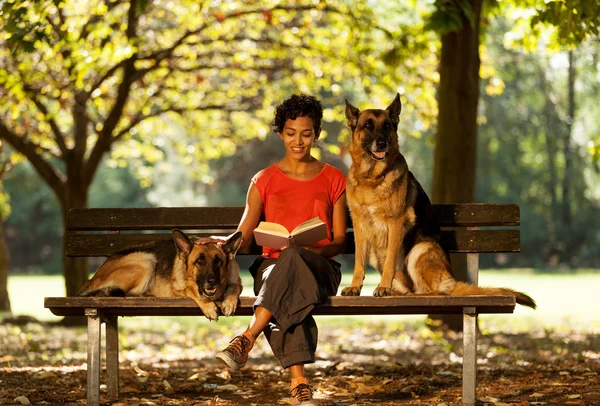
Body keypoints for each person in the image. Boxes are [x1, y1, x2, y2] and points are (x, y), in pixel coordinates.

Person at [214, 94, 347, 405]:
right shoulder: (263, 180)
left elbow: (339, 240)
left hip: (321, 268)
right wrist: (220, 244)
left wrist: (312, 246)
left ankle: (247, 337)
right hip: (273, 270)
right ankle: (299, 383)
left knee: (293, 261)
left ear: (316, 133)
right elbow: (242, 235)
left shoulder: (334, 178)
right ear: (280, 132)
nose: (298, 141)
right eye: (290, 133)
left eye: (306, 133)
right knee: (288, 281)